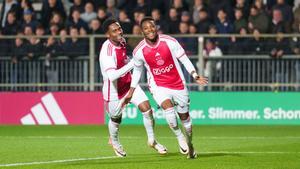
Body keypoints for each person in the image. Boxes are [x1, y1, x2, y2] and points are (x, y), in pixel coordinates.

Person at [123, 17, 208, 159]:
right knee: (168, 109)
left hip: (178, 84)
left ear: (156, 27)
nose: (150, 30)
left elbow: (184, 59)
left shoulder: (170, 41)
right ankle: (179, 137)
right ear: (142, 31)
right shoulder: (139, 51)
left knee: (185, 119)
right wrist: (131, 90)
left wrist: (194, 74)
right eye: (146, 28)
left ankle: (190, 143)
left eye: (152, 26)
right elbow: (137, 71)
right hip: (158, 85)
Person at [99, 18, 167, 157]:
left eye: (119, 29)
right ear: (108, 35)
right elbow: (112, 76)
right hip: (114, 91)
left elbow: (124, 60)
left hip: (129, 84)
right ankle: (116, 143)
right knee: (116, 119)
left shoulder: (122, 42)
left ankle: (152, 140)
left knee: (147, 109)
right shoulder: (107, 51)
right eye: (115, 31)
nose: (119, 32)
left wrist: (131, 62)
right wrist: (133, 63)